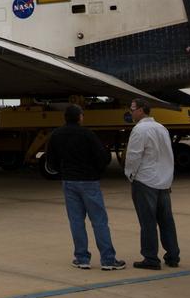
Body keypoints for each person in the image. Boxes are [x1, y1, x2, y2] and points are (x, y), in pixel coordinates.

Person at [45, 104, 125, 271]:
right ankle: (108, 259)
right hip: (89, 180)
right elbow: (102, 157)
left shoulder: (56, 134)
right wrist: (96, 172)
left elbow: (51, 160)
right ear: (80, 117)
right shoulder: (87, 134)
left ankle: (82, 258)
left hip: (69, 180)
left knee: (76, 221)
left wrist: (63, 171)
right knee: (99, 221)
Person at [124, 99, 180, 270]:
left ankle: (150, 258)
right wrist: (168, 177)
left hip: (146, 180)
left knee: (147, 221)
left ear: (141, 110)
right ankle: (172, 255)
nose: (131, 112)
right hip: (163, 181)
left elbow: (133, 155)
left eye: (132, 109)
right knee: (166, 220)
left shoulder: (139, 129)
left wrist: (130, 174)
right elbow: (168, 154)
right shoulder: (161, 128)